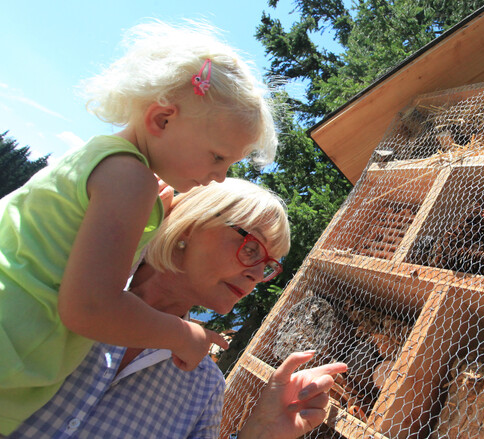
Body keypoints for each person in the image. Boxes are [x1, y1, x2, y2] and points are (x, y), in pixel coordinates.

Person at [0, 20, 278, 433]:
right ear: (162, 120)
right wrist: (184, 336)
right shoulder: (130, 181)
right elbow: (91, 307)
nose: (221, 175)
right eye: (218, 157)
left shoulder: (108, 167)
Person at [8, 178, 348, 438]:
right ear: (191, 225)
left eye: (268, 265)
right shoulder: (64, 282)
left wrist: (259, 432)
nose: (257, 275)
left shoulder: (203, 386)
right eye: (252, 249)